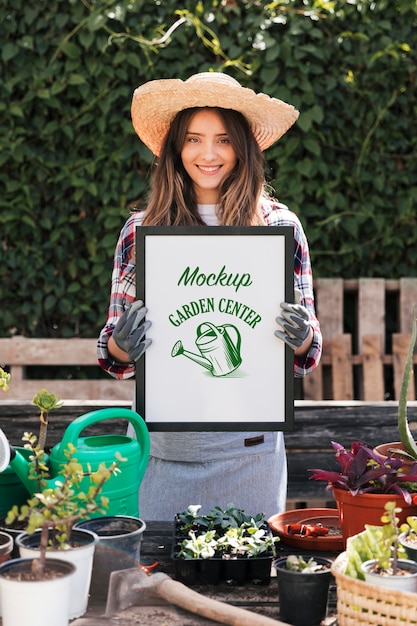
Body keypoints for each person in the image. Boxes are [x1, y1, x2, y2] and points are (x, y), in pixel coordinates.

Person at [97, 72, 322, 521]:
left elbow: (307, 351)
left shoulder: (279, 226)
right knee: (160, 577)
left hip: (250, 449)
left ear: (242, 147)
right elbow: (114, 354)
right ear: (176, 151)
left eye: (222, 139)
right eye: (194, 140)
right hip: (164, 448)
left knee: (247, 576)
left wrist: (299, 333)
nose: (208, 154)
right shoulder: (141, 231)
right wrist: (126, 340)